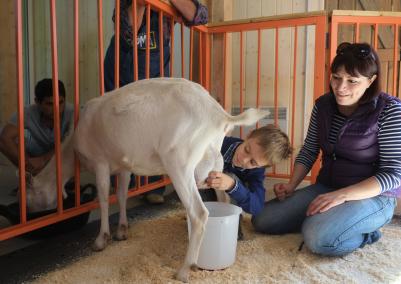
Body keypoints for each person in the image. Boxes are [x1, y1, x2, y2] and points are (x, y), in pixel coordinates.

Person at [252, 42, 401, 256]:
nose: (340, 87)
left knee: (318, 238)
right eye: (336, 77)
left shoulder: (391, 110)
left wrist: (342, 196)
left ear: (370, 81)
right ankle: (330, 220)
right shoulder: (324, 105)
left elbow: (393, 175)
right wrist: (291, 185)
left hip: (373, 197)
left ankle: (367, 232)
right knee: (262, 220)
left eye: (352, 81)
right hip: (327, 186)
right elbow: (309, 150)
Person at [104, 0, 208, 204]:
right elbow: (128, 35)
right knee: (123, 126)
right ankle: (124, 183)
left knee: (157, 126)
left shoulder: (168, 5)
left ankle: (154, 184)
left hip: (155, 73)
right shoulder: (124, 4)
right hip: (123, 72)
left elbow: (200, 16)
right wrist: (142, 3)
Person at [200, 125, 292, 218]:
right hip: (204, 189)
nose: (243, 160)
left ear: (262, 166)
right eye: (247, 150)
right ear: (249, 135)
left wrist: (233, 186)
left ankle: (235, 225)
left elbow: (257, 207)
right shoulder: (220, 143)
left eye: (253, 162)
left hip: (229, 204)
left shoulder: (256, 171)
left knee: (233, 178)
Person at [0, 79, 73, 177]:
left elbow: (72, 143)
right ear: (37, 102)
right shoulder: (28, 113)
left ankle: (65, 178)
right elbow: (5, 137)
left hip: (64, 152)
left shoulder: (74, 113)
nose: (57, 109)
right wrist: (26, 163)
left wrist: (43, 159)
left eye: (61, 102)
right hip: (38, 150)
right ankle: (32, 175)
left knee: (78, 144)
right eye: (49, 104)